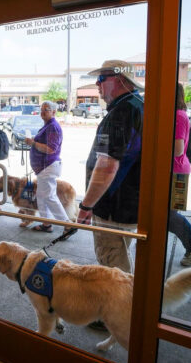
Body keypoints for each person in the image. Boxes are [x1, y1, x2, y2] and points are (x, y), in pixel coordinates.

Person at [77, 60, 145, 274]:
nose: (97, 84)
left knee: (114, 269)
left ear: (121, 80)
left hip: (113, 208)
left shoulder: (120, 113)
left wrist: (87, 206)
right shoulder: (138, 106)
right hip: (129, 205)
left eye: (101, 78)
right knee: (121, 260)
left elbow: (107, 166)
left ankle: (124, 307)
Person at [25, 101, 76, 237]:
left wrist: (33, 143)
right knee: (42, 197)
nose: (42, 112)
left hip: (47, 167)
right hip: (44, 168)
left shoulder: (53, 127)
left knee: (49, 196)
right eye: (41, 109)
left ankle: (67, 225)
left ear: (54, 112)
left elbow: (51, 149)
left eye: (46, 109)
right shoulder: (48, 126)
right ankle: (46, 224)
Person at [170, 84, 191, 265]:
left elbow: (177, 150)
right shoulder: (178, 114)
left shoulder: (178, 116)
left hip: (176, 172)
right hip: (176, 171)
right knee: (165, 215)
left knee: (168, 216)